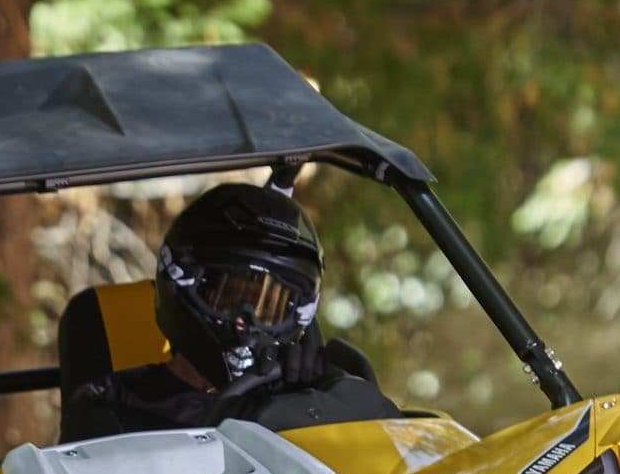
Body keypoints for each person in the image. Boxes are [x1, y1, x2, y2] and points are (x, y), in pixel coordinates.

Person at [60, 182, 396, 440]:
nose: (244, 320)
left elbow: (391, 459)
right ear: (182, 283)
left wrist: (328, 395)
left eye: (271, 307)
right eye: (228, 295)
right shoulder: (114, 403)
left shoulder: (315, 393)